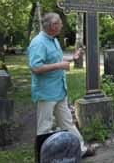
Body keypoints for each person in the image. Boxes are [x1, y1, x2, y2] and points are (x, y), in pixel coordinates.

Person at [28, 12, 95, 158]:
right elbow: (36, 67)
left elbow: (56, 58)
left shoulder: (53, 40)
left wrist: (72, 57)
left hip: (59, 90)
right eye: (60, 23)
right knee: (44, 127)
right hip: (46, 92)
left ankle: (80, 149)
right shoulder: (38, 42)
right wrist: (60, 65)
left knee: (67, 123)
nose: (62, 26)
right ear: (52, 26)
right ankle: (43, 157)